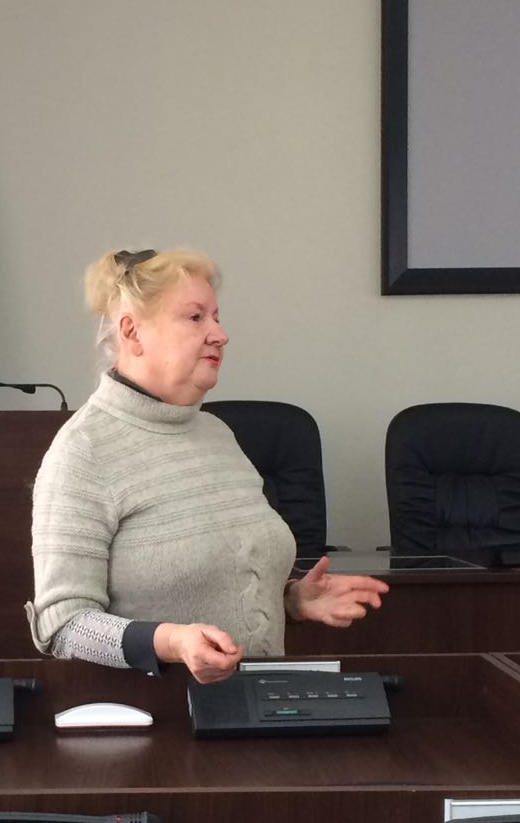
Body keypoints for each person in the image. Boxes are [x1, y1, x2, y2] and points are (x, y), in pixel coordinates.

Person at [25, 246, 388, 682]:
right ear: (132, 333)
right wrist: (171, 642)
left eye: (216, 317)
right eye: (195, 317)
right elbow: (64, 626)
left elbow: (225, 581)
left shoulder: (217, 433)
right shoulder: (83, 451)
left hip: (257, 704)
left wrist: (292, 600)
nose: (220, 334)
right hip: (159, 714)